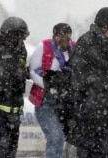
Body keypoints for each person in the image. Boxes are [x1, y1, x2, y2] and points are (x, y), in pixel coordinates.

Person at [67, 7, 108, 158]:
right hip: (91, 112)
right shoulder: (86, 43)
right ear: (103, 26)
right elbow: (79, 79)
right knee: (93, 151)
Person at [29, 23, 75, 158]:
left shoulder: (74, 48)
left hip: (66, 102)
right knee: (56, 137)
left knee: (69, 138)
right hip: (46, 101)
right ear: (54, 37)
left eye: (67, 40)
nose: (64, 43)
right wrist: (50, 86)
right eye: (60, 39)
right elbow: (33, 71)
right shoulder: (44, 46)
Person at [0, 16, 30, 158]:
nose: (23, 40)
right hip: (0, 113)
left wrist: (26, 73)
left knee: (11, 151)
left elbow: (20, 71)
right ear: (12, 36)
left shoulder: (21, 49)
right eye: (21, 37)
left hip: (15, 112)